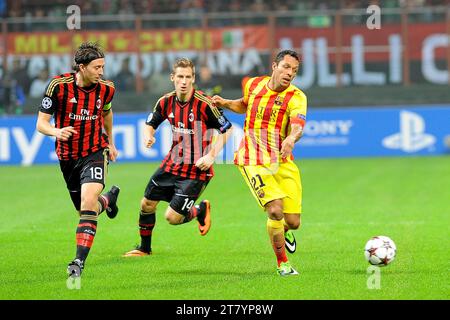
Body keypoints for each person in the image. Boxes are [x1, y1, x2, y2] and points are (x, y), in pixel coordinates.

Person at [123, 58, 232, 257]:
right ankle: (144, 249)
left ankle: (199, 211)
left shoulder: (204, 103)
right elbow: (151, 122)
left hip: (196, 171)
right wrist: (148, 135)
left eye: (188, 77)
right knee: (146, 204)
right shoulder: (165, 101)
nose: (184, 81)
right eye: (180, 76)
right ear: (172, 78)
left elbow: (227, 130)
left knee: (172, 218)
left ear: (193, 78)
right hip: (172, 163)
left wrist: (211, 156)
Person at [212, 50, 307, 276]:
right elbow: (246, 104)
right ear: (274, 66)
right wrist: (225, 102)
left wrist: (291, 139)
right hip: (251, 158)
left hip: (282, 161)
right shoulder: (254, 84)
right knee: (275, 211)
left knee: (293, 222)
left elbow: (297, 124)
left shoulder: (297, 97)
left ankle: (284, 231)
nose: (290, 73)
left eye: (294, 70)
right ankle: (282, 263)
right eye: (285, 67)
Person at [36, 42, 121, 278]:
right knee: (86, 209)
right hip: (67, 157)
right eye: (96, 67)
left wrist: (111, 143)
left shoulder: (106, 89)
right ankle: (109, 200)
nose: (101, 72)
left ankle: (78, 262)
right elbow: (41, 124)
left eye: (103, 66)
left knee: (87, 201)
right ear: (82, 67)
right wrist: (56, 131)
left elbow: (106, 113)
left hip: (95, 151)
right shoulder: (58, 86)